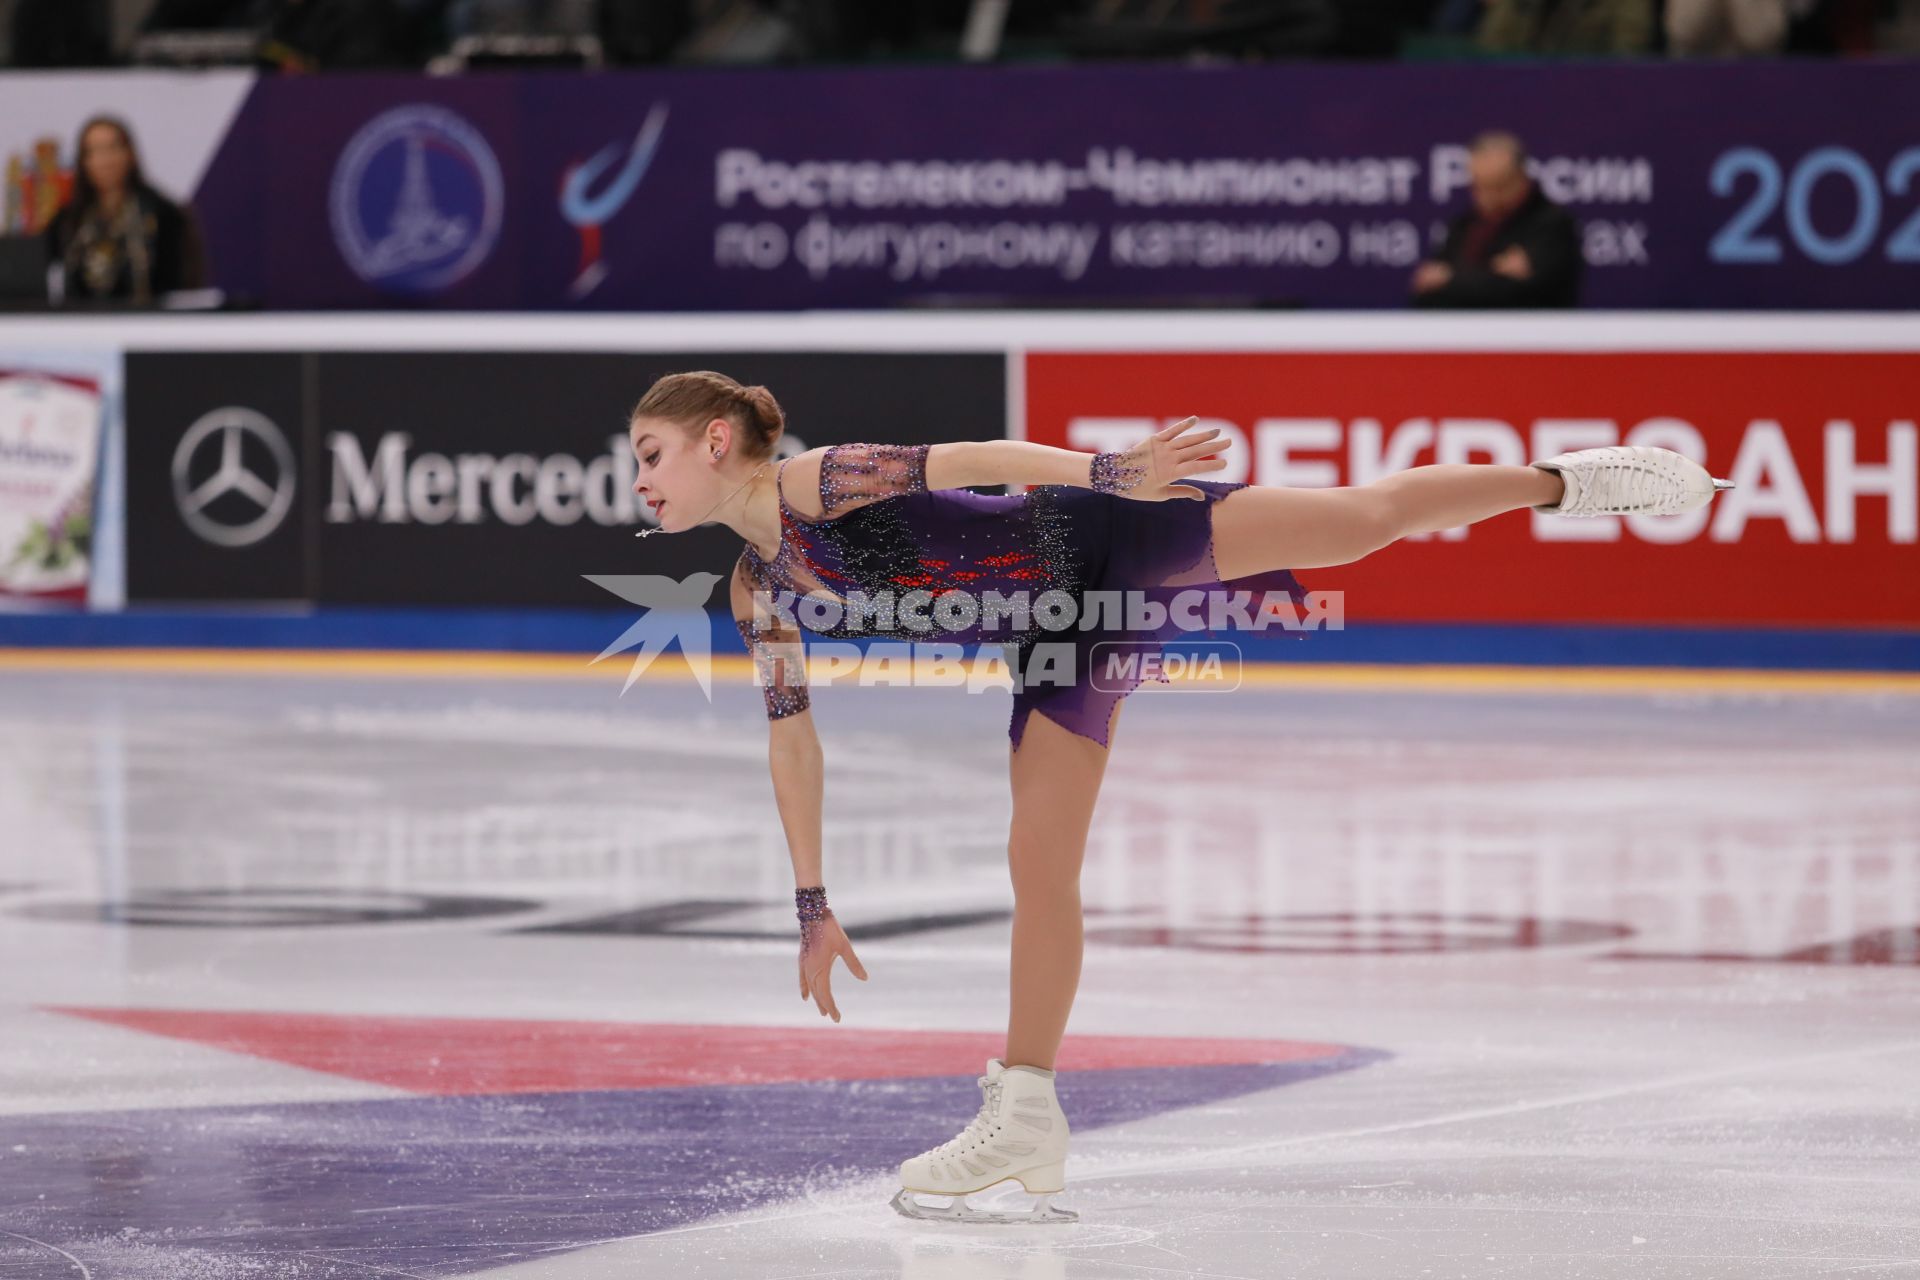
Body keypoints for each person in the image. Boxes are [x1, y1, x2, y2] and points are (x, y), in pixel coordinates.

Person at [626, 370, 1732, 1224]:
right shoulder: (757, 585)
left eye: (652, 453)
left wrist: (1107, 473)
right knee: (1038, 862)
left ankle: (1575, 481)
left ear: (716, 440)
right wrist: (812, 900)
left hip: (1110, 531)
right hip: (1059, 636)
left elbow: (978, 455)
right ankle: (1024, 1114)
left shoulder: (820, 479)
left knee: (1359, 518)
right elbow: (793, 741)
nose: (641, 478)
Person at [42, 117, 207, 305]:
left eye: (113, 148)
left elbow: (183, 287)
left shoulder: (164, 215)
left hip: (146, 325)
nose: (105, 160)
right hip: (80, 326)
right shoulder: (68, 221)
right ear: (83, 161)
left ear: (129, 154)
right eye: (93, 151)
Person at [1411, 130, 1582, 310]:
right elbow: (1428, 293)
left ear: (1521, 179)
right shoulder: (1464, 226)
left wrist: (1452, 279)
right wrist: (1492, 274)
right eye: (1479, 187)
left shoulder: (1552, 225)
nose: (1488, 198)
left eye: (1498, 186)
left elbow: (1525, 294)